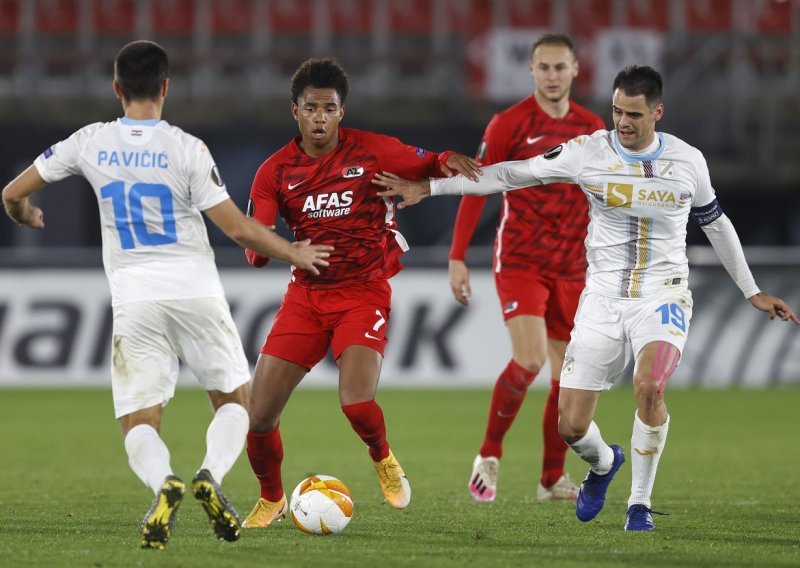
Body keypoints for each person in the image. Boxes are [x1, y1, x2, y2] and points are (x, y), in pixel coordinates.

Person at [373, 64, 799, 531]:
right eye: (617, 111)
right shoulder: (588, 152)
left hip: (663, 294)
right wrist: (429, 186)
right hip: (599, 298)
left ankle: (639, 503)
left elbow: (716, 223)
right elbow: (511, 174)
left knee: (650, 386)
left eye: (634, 114)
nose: (623, 123)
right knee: (571, 427)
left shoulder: (688, 162)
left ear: (657, 112)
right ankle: (603, 464)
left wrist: (751, 290)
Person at [1, 40, 332, 549]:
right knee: (235, 403)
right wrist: (294, 252)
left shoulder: (89, 141)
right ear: (166, 87)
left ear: (117, 88)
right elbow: (239, 230)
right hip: (195, 291)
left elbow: (12, 193)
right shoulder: (186, 147)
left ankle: (164, 485)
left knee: (139, 420)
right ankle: (209, 475)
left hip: (134, 299)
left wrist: (24, 214)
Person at [240, 57, 481, 528]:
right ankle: (272, 497)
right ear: (295, 112)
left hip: (363, 291)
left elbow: (431, 162)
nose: (320, 118)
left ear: (341, 111)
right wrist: (289, 251)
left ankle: (383, 457)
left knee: (355, 403)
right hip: (306, 300)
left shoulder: (373, 151)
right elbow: (255, 249)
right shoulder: (274, 172)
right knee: (259, 416)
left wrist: (447, 160)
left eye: (329, 108)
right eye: (311, 108)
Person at [451, 34, 605, 504]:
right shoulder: (510, 123)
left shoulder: (593, 127)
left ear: (576, 69)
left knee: (568, 379)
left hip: (572, 267)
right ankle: (488, 455)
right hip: (521, 259)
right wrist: (458, 255)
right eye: (544, 67)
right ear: (532, 70)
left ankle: (551, 480)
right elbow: (478, 185)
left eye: (561, 67)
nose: (553, 76)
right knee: (530, 359)